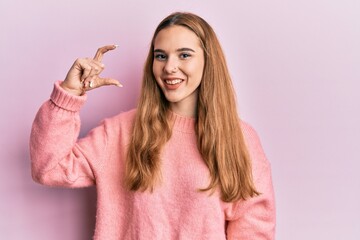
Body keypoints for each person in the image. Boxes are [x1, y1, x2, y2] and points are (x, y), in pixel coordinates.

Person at [30, 12, 276, 240]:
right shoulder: (119, 132)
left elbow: (254, 229)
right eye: (161, 56)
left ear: (208, 61)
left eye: (184, 55)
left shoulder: (240, 138)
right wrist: (69, 94)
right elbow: (48, 168)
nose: (169, 67)